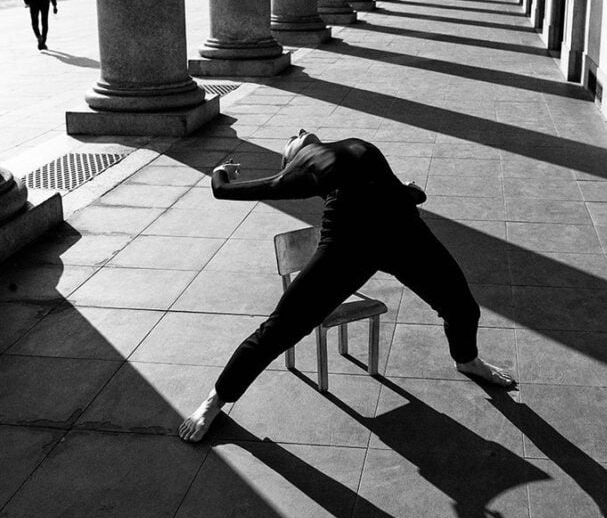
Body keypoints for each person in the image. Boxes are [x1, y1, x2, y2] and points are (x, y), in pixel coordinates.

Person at [180, 130, 514, 442]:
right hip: (352, 244)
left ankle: (466, 359)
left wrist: (221, 171)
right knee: (282, 328)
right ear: (295, 155)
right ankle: (214, 401)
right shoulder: (313, 163)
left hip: (402, 233)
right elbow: (223, 192)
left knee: (461, 304)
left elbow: (223, 188)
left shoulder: (339, 151)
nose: (296, 135)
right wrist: (221, 172)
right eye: (292, 143)